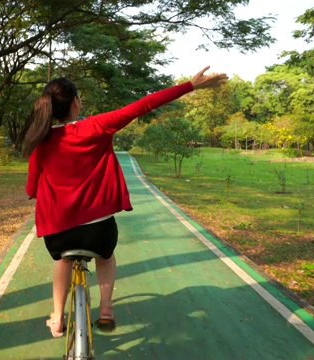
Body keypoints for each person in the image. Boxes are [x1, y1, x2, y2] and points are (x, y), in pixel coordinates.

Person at [23, 66, 228, 338]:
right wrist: (191, 85)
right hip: (98, 230)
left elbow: (31, 188)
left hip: (58, 233)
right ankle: (106, 309)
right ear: (75, 103)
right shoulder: (96, 126)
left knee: (62, 261)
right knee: (105, 257)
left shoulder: (41, 142)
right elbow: (143, 105)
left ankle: (57, 318)